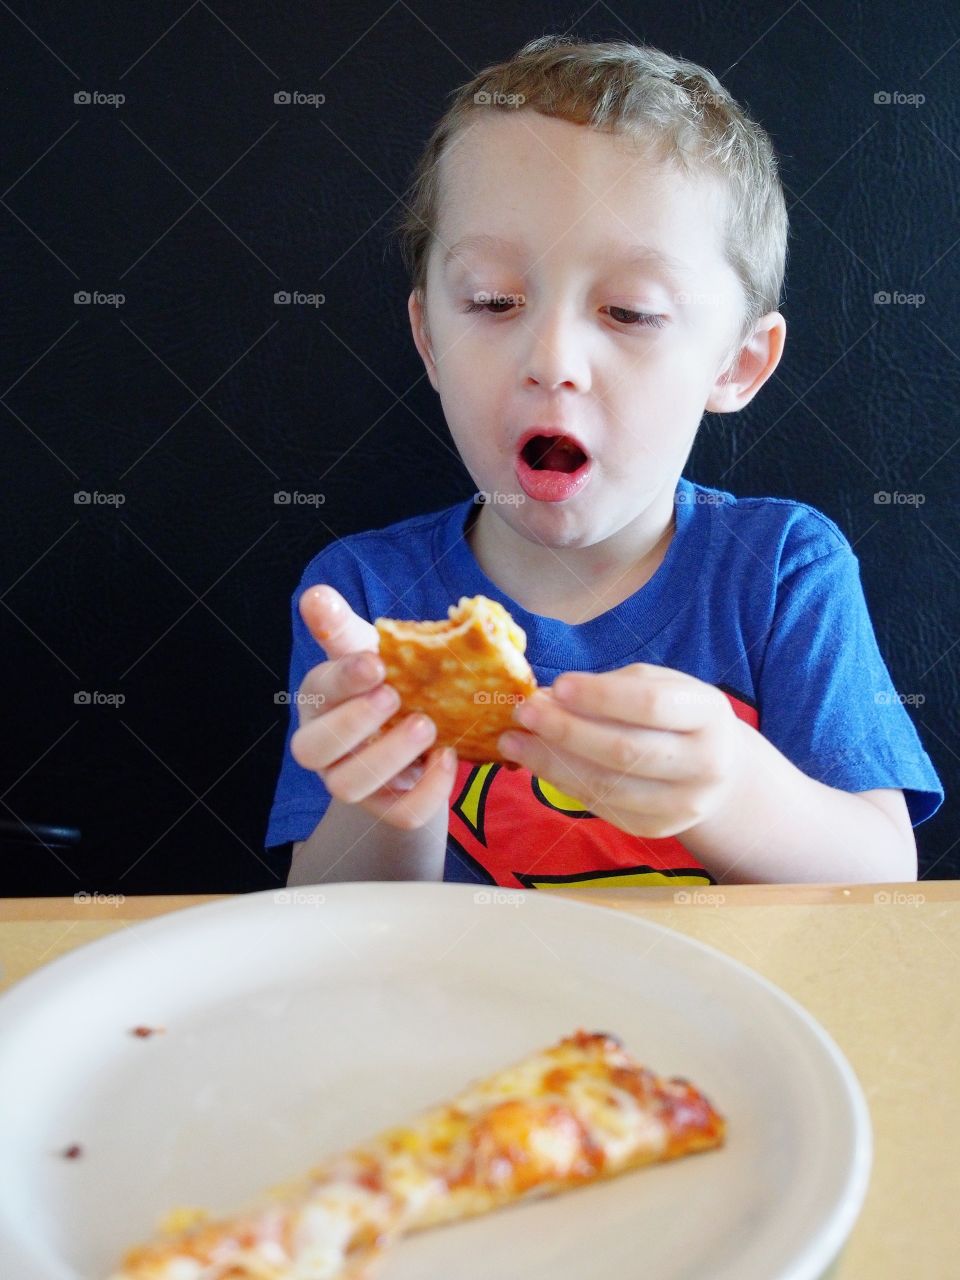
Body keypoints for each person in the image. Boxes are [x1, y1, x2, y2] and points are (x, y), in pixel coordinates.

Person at [266, 35, 943, 889]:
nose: (552, 357)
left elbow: (884, 887)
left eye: (628, 311)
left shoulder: (780, 572)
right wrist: (384, 795)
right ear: (429, 338)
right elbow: (332, 926)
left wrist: (732, 787)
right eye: (493, 301)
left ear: (736, 364)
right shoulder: (368, 599)